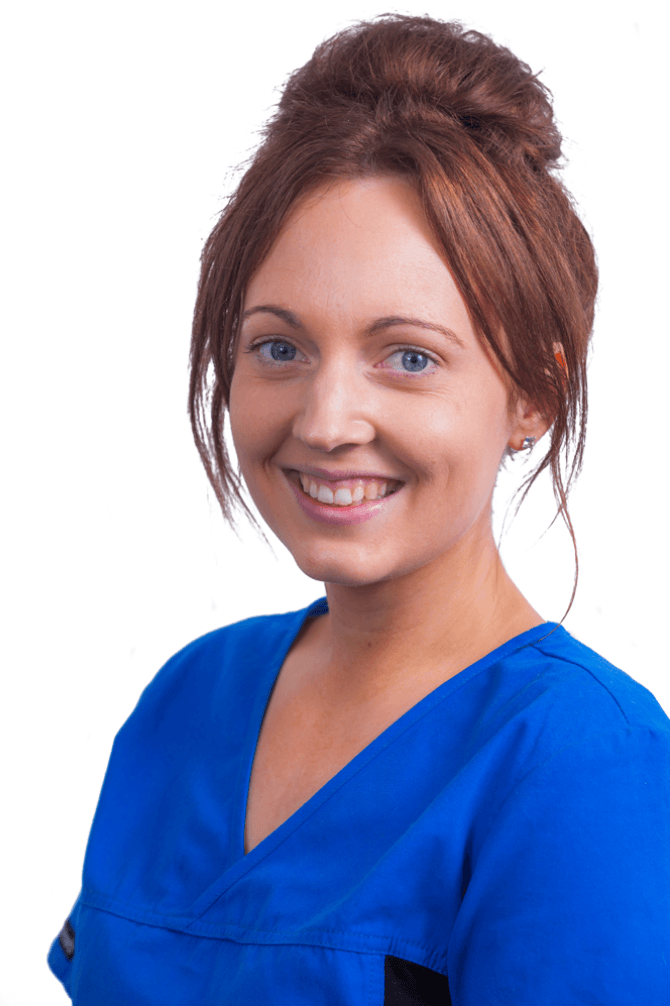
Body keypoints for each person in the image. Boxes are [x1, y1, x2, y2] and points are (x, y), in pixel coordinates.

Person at [48, 14, 670, 1004]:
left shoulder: (582, 763)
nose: (326, 420)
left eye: (408, 356)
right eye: (279, 347)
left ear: (534, 395)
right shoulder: (187, 700)